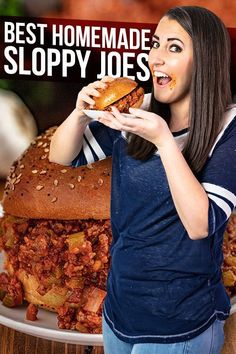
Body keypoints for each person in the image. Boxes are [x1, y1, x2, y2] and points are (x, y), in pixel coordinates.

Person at [49, 6, 236, 354]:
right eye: (155, 44)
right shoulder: (140, 109)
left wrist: (165, 142)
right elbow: (62, 156)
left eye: (174, 48)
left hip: (182, 324)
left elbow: (200, 224)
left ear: (206, 60)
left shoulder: (229, 128)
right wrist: (79, 114)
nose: (156, 58)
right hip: (119, 314)